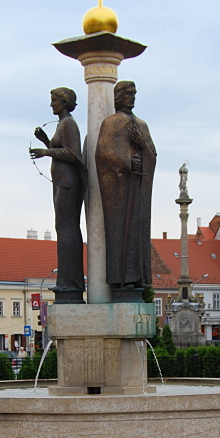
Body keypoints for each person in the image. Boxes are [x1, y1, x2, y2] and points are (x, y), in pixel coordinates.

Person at [95, 80, 157, 297]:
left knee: (137, 233)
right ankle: (122, 280)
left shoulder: (142, 125)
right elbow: (103, 154)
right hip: (119, 190)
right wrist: (128, 162)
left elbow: (152, 154)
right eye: (128, 94)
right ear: (118, 96)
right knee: (120, 233)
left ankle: (138, 277)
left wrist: (142, 146)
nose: (132, 97)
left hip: (137, 189)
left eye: (134, 94)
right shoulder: (111, 123)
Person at [30, 88, 86, 301]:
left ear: (64, 102)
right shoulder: (63, 124)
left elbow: (72, 154)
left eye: (54, 100)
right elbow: (62, 150)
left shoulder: (69, 123)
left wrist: (46, 152)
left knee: (67, 228)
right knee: (63, 228)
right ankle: (66, 278)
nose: (51, 104)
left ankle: (70, 281)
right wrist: (46, 141)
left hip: (68, 183)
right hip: (62, 181)